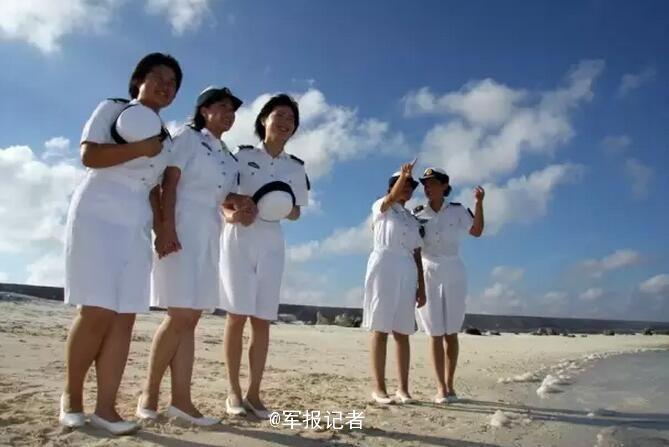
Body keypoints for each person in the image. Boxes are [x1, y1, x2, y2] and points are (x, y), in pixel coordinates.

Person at [61, 53, 182, 435]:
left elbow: (156, 188)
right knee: (96, 310)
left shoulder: (168, 138)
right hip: (99, 209)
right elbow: (89, 155)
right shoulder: (114, 108)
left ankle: (106, 408)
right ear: (139, 81)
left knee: (125, 316)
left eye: (172, 82)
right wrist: (139, 148)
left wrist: (162, 226)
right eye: (158, 76)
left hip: (136, 222)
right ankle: (72, 398)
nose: (165, 85)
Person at [137, 87, 255, 425]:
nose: (229, 113)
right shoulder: (187, 138)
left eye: (232, 109)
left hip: (210, 233)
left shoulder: (228, 156)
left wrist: (240, 205)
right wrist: (165, 228)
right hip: (183, 227)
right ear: (204, 110)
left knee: (191, 319)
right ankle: (149, 394)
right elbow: (169, 185)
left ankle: (182, 401)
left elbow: (220, 197)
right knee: (179, 314)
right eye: (221, 106)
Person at [219, 94, 309, 418]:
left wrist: (280, 207)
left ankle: (255, 394)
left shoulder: (295, 168)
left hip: (272, 241)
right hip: (239, 237)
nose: (285, 123)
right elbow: (222, 196)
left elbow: (297, 210)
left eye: (291, 120)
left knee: (262, 320)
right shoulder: (242, 156)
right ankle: (233, 391)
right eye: (279, 115)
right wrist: (231, 216)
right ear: (264, 120)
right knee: (236, 315)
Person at [413, 167, 484, 404]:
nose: (427, 187)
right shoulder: (417, 213)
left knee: (451, 331)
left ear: (444, 186)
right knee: (434, 331)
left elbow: (476, 231)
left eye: (432, 183)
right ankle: (440, 387)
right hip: (428, 269)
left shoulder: (457, 211)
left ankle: (450, 384)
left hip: (453, 269)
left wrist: (479, 203)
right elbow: (412, 245)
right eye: (424, 183)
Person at [362, 160, 426, 405]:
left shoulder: (412, 219)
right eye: (404, 184)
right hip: (384, 263)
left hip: (407, 269)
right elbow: (389, 199)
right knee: (380, 327)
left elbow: (417, 253)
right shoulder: (382, 206)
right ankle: (379, 388)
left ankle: (403, 388)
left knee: (403, 331)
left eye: (411, 185)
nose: (408, 188)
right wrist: (403, 175)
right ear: (394, 186)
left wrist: (422, 286)